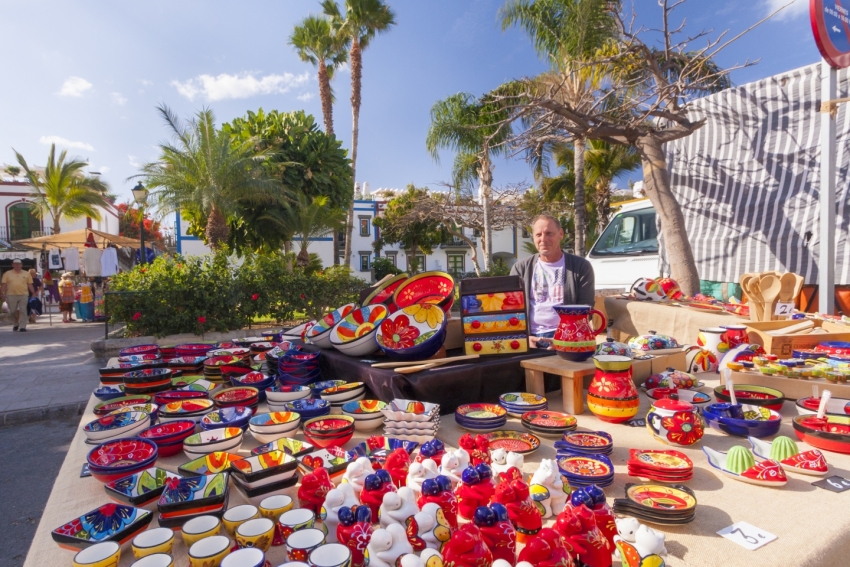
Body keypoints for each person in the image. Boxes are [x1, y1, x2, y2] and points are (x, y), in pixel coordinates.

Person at [510, 213, 595, 348]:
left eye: (549, 233)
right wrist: (524, 338)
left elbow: (586, 309)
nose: (543, 239)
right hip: (530, 338)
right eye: (538, 235)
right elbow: (511, 309)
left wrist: (563, 339)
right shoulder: (521, 268)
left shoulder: (580, 267)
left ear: (560, 234)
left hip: (566, 338)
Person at [1, 259, 36, 332]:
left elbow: (29, 284)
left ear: (21, 265)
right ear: (12, 265)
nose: (17, 265)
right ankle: (15, 324)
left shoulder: (26, 274)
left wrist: (33, 292)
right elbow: (4, 284)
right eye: (15, 264)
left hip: (23, 294)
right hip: (11, 294)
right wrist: (1, 293)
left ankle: (23, 326)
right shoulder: (7, 274)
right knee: (12, 311)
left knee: (23, 310)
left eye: (19, 264)